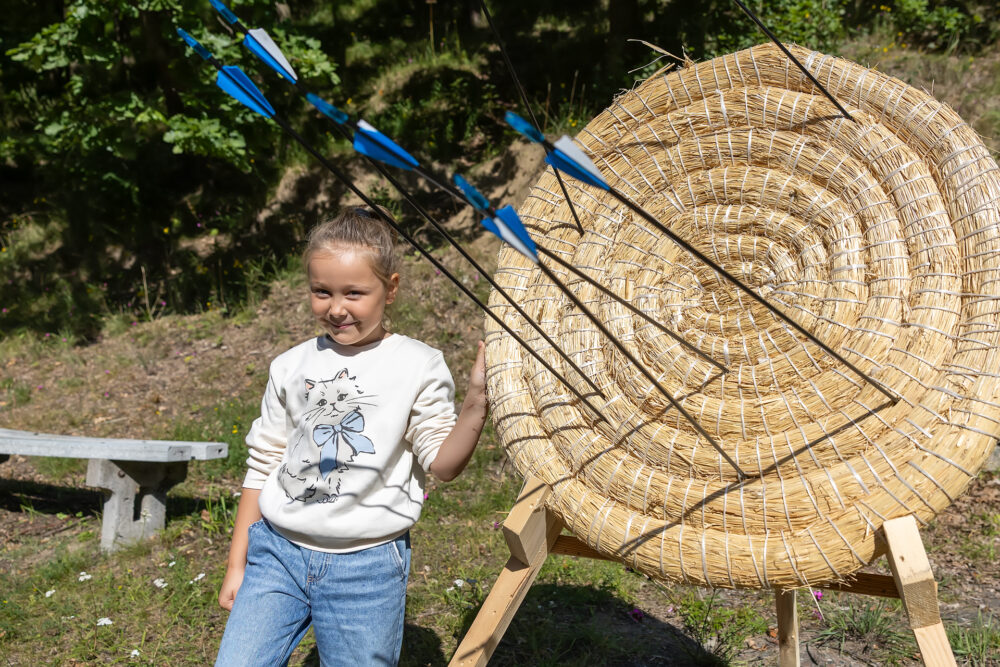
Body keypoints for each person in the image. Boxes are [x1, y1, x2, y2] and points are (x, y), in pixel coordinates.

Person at [215, 206, 488, 666]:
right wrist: (237, 563)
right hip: (276, 554)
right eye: (321, 292)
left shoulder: (417, 365)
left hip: (367, 568)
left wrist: (477, 402)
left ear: (391, 288)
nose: (336, 308)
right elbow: (262, 465)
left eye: (354, 293)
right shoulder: (290, 365)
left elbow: (443, 464)